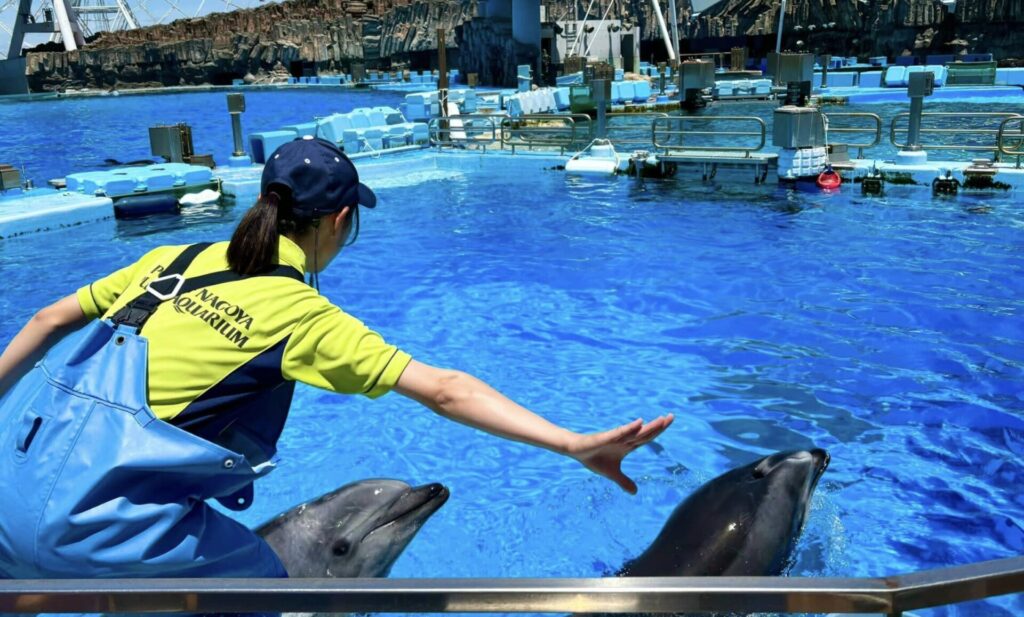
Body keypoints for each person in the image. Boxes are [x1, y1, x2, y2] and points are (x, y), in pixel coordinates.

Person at [0, 136, 673, 580]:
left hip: (8, 499)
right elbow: (443, 388)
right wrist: (572, 442)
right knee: (275, 586)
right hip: (89, 533)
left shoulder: (174, 260)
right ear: (337, 221)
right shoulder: (302, 316)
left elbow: (46, 319)